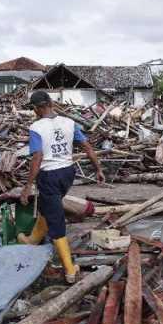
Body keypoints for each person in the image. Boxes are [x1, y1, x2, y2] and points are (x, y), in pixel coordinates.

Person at [18, 90, 105, 283]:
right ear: (50, 102)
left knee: (56, 223)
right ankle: (32, 240)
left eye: (33, 108)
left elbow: (38, 157)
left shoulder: (36, 127)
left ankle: (70, 270)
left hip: (49, 175)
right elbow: (87, 147)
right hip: (67, 173)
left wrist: (27, 185)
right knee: (48, 207)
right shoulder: (69, 122)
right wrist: (98, 169)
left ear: (37, 108)